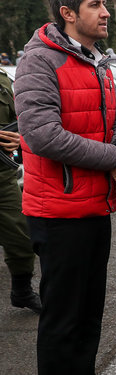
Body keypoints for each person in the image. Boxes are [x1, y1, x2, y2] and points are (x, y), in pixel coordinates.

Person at [14, 0, 116, 375]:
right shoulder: (38, 61)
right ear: (68, 13)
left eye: (104, 3)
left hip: (93, 207)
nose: (105, 12)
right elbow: (42, 135)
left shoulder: (96, 60)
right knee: (62, 321)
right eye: (95, 4)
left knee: (88, 313)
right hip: (58, 212)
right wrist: (113, 159)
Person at [0, 67, 41, 314]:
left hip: (3, 178)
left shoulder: (2, 78)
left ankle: (22, 292)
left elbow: (17, 118)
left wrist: (19, 138)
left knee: (21, 238)